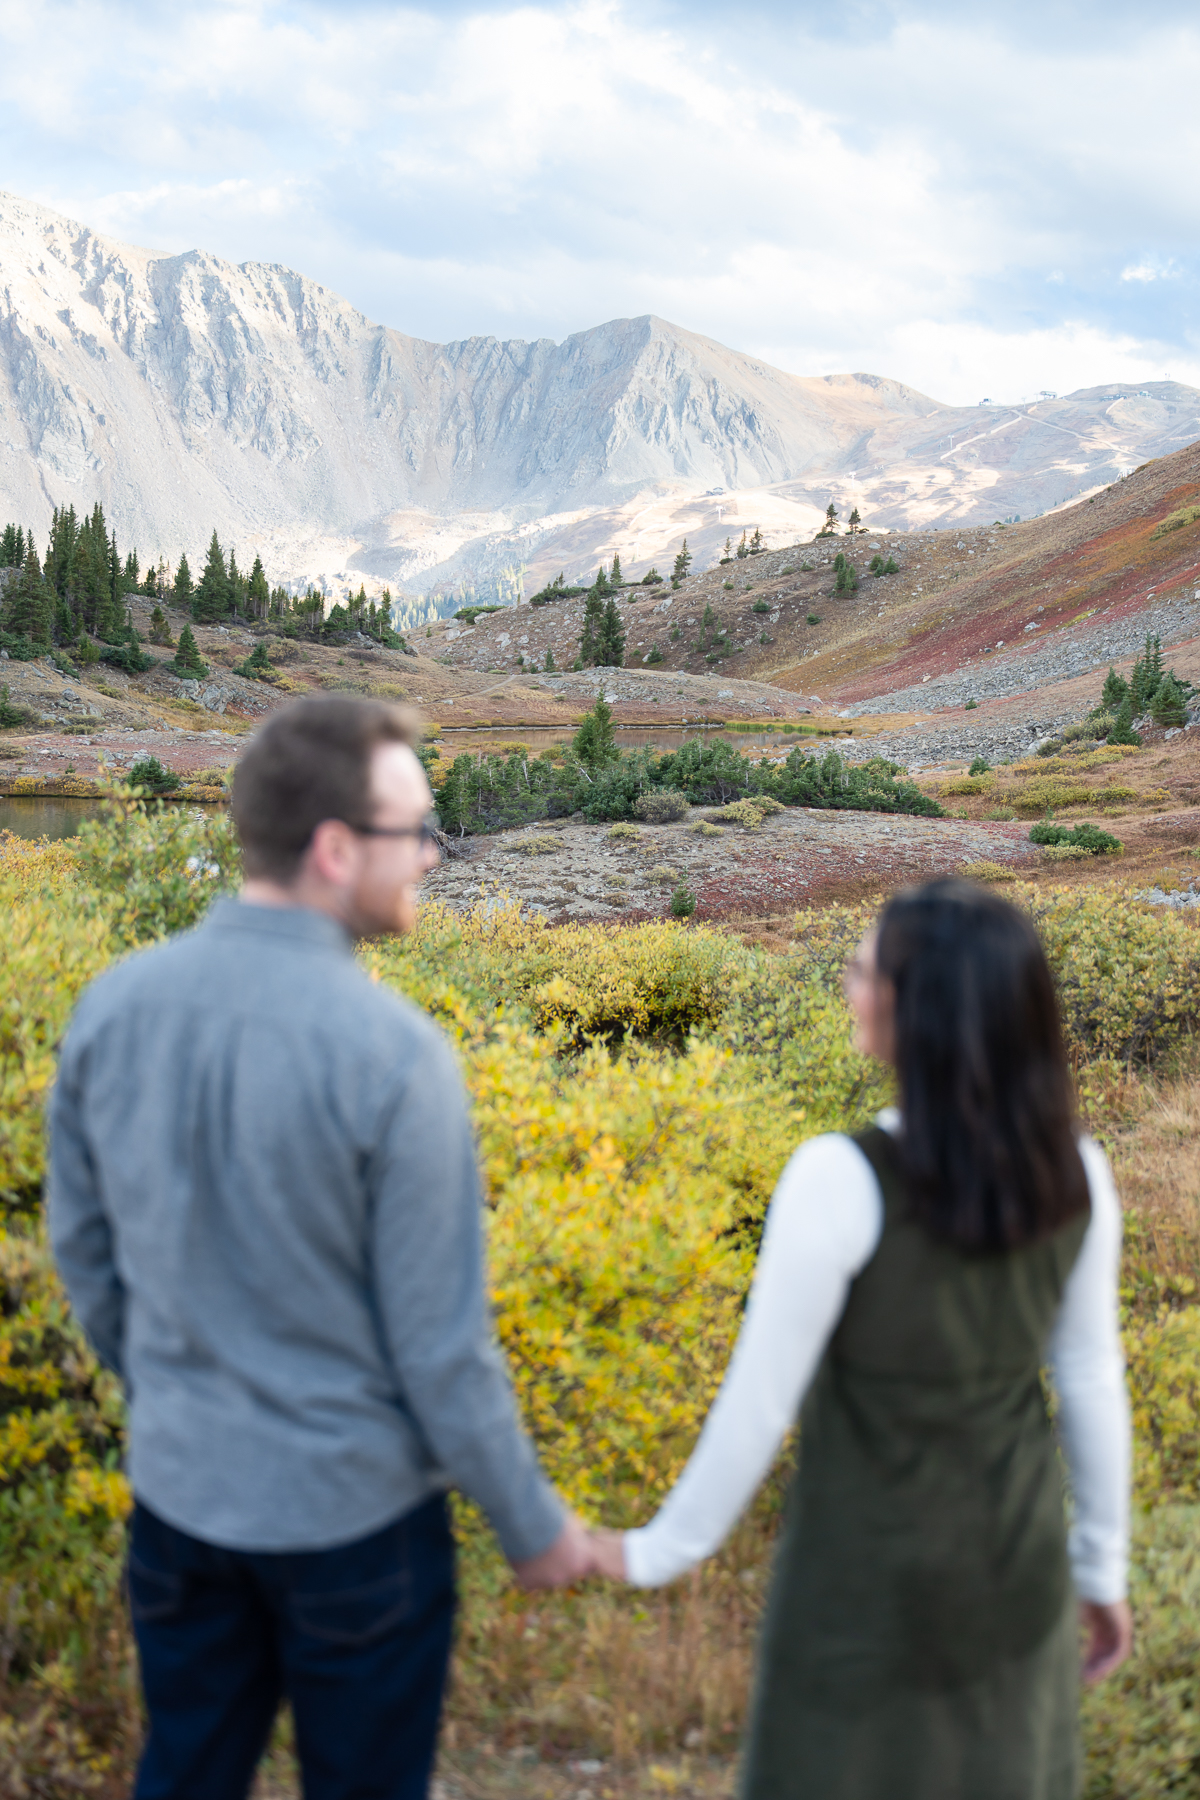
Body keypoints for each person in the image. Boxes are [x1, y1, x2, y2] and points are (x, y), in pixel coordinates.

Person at [49, 695, 595, 1800]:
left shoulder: (113, 1008)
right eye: (417, 830)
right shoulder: (397, 1057)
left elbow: (86, 1256)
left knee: (186, 1772)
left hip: (179, 1504)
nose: (432, 856)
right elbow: (441, 1354)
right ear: (337, 850)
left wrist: (172, 1393)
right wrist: (533, 1527)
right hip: (358, 1531)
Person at [591, 879, 1132, 1799]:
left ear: (915, 1009)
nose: (848, 984)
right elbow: (1088, 1377)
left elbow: (761, 1403)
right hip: (1016, 1566)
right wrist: (1101, 1565)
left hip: (865, 1578)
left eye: (863, 969)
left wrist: (658, 1552)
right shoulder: (1078, 1172)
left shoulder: (839, 1178)